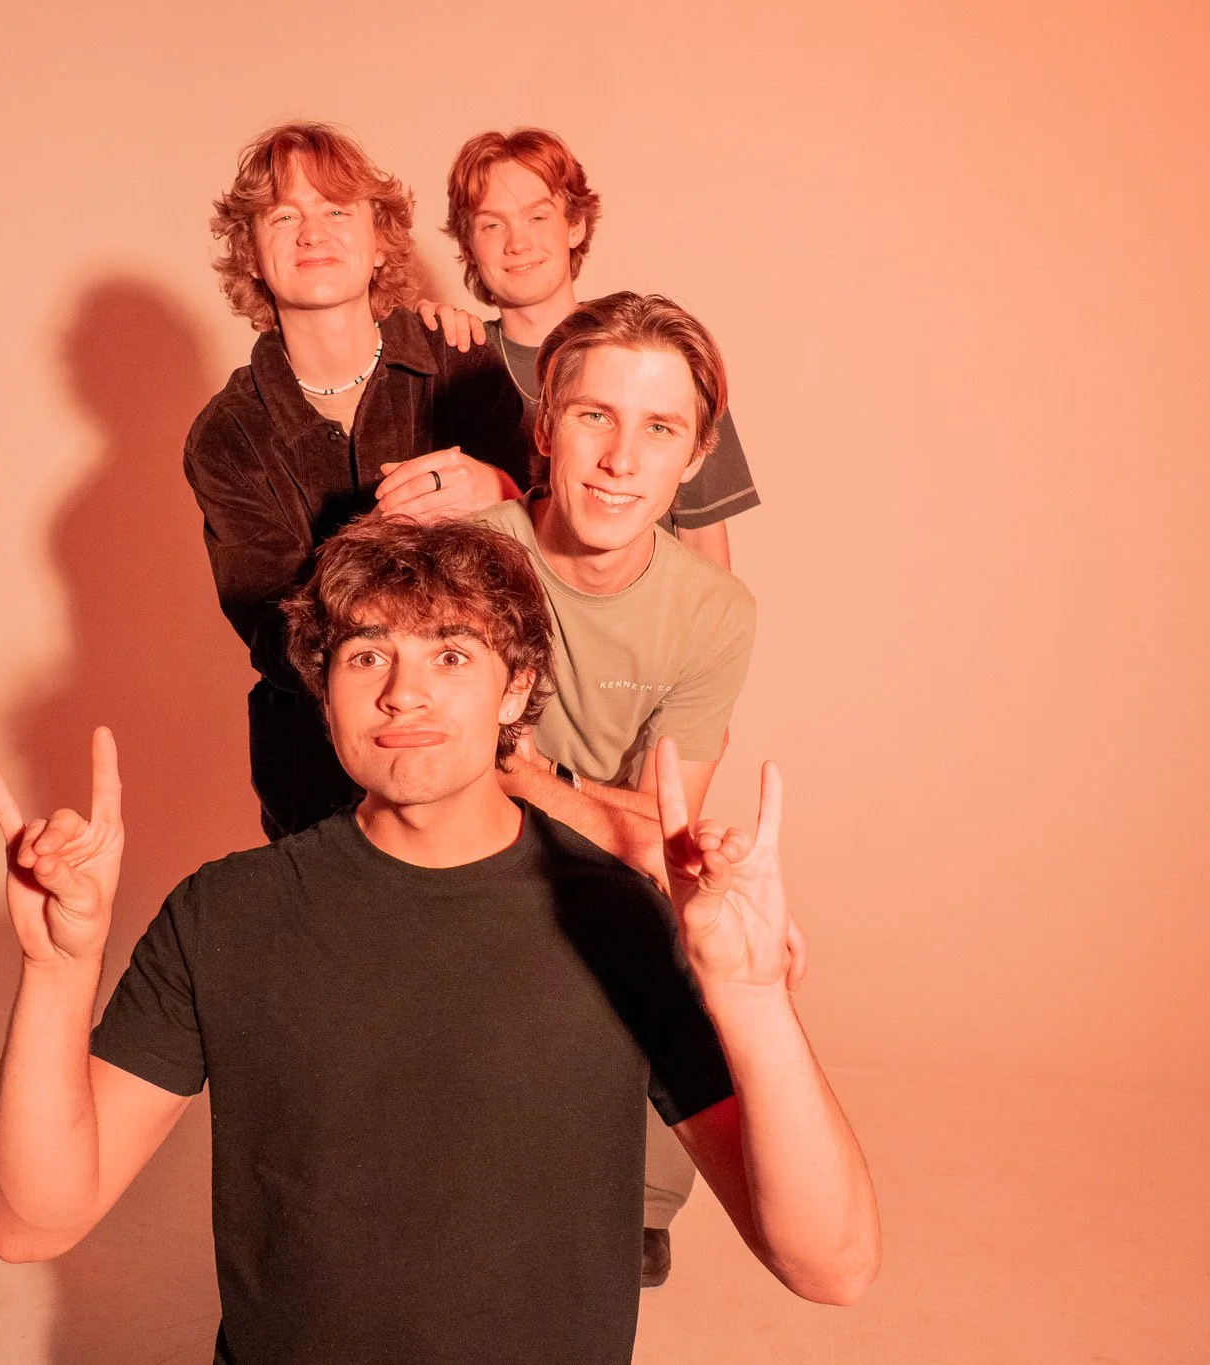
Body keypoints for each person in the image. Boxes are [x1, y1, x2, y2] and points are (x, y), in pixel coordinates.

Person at [0, 517, 880, 1364]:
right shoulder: (227, 914)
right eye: (368, 653)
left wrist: (755, 1000)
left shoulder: (623, 921)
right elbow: (33, 1222)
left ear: (516, 688)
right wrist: (59, 969)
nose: (404, 692)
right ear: (324, 692)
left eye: (452, 653)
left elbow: (831, 1265)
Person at [471, 290, 757, 1283]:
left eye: (658, 429)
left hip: (598, 859)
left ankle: (637, 1202)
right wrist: (586, 798)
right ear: (544, 427)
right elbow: (429, 772)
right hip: (460, 846)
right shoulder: (470, 553)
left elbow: (665, 822)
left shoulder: (713, 611)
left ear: (694, 455)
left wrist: (538, 780)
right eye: (593, 417)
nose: (619, 460)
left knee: (679, 913)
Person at [184, 121, 528, 840]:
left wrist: (500, 491)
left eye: (337, 211)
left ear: (380, 243)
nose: (313, 232)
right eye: (285, 216)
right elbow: (274, 631)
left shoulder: (462, 366)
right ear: (252, 255)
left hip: (486, 768)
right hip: (314, 782)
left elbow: (549, 565)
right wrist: (391, 542)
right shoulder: (226, 434)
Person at [427, 127, 762, 571]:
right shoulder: (445, 364)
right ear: (469, 245)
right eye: (492, 224)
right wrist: (405, 329)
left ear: (576, 225)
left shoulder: (661, 355)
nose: (517, 242)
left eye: (538, 217)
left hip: (638, 628)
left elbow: (703, 543)